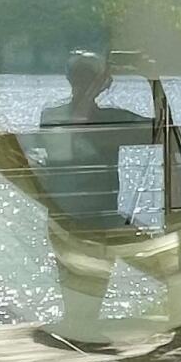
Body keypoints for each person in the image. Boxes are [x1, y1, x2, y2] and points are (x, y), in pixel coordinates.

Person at [28, 51, 153, 229]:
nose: (83, 82)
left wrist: (151, 76)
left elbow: (161, 130)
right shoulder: (53, 116)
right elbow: (77, 127)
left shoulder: (112, 118)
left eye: (88, 77)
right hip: (65, 219)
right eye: (80, 77)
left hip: (102, 215)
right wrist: (95, 88)